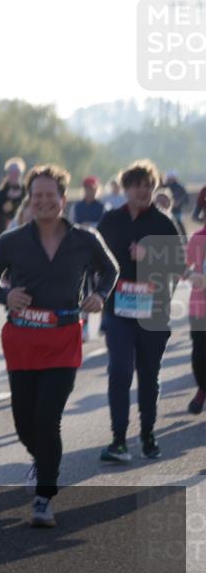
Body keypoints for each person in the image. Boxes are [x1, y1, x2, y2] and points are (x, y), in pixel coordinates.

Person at [0, 164, 118, 528]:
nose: (43, 201)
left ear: (63, 198)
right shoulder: (12, 241)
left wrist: (100, 295)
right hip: (22, 340)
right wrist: (6, 295)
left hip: (63, 338)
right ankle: (42, 459)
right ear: (30, 199)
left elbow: (111, 270)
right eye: (37, 196)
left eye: (50, 195)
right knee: (24, 421)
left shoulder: (84, 239)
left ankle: (44, 498)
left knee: (48, 417)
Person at [96, 159, 185, 462]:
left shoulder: (162, 222)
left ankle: (148, 435)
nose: (144, 191)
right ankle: (118, 439)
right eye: (137, 185)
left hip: (153, 312)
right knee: (119, 371)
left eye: (149, 185)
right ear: (125, 188)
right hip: (118, 310)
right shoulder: (110, 221)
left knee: (149, 375)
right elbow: (94, 260)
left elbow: (179, 264)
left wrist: (151, 256)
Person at [70, 176, 109, 341]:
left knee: (101, 290)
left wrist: (92, 227)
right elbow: (70, 227)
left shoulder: (103, 207)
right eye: (87, 188)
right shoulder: (76, 207)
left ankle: (104, 324)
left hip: (98, 254)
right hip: (81, 254)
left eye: (92, 188)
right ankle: (83, 326)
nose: (89, 191)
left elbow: (107, 229)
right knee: (82, 292)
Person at [185, 219, 206, 414]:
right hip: (200, 309)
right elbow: (181, 266)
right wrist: (192, 276)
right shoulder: (198, 239)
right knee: (200, 355)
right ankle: (202, 388)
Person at [0, 157, 27, 240]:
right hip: (3, 234)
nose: (14, 174)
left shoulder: (26, 192)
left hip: (23, 233)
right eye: (11, 172)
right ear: (7, 173)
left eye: (17, 172)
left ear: (21, 173)